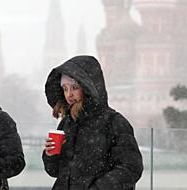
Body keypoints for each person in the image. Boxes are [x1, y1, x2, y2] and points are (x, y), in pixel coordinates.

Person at [42, 55, 143, 190]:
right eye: (65, 88)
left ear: (88, 87)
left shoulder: (114, 122)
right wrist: (51, 155)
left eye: (74, 87)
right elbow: (54, 171)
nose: (69, 94)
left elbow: (131, 168)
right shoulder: (67, 123)